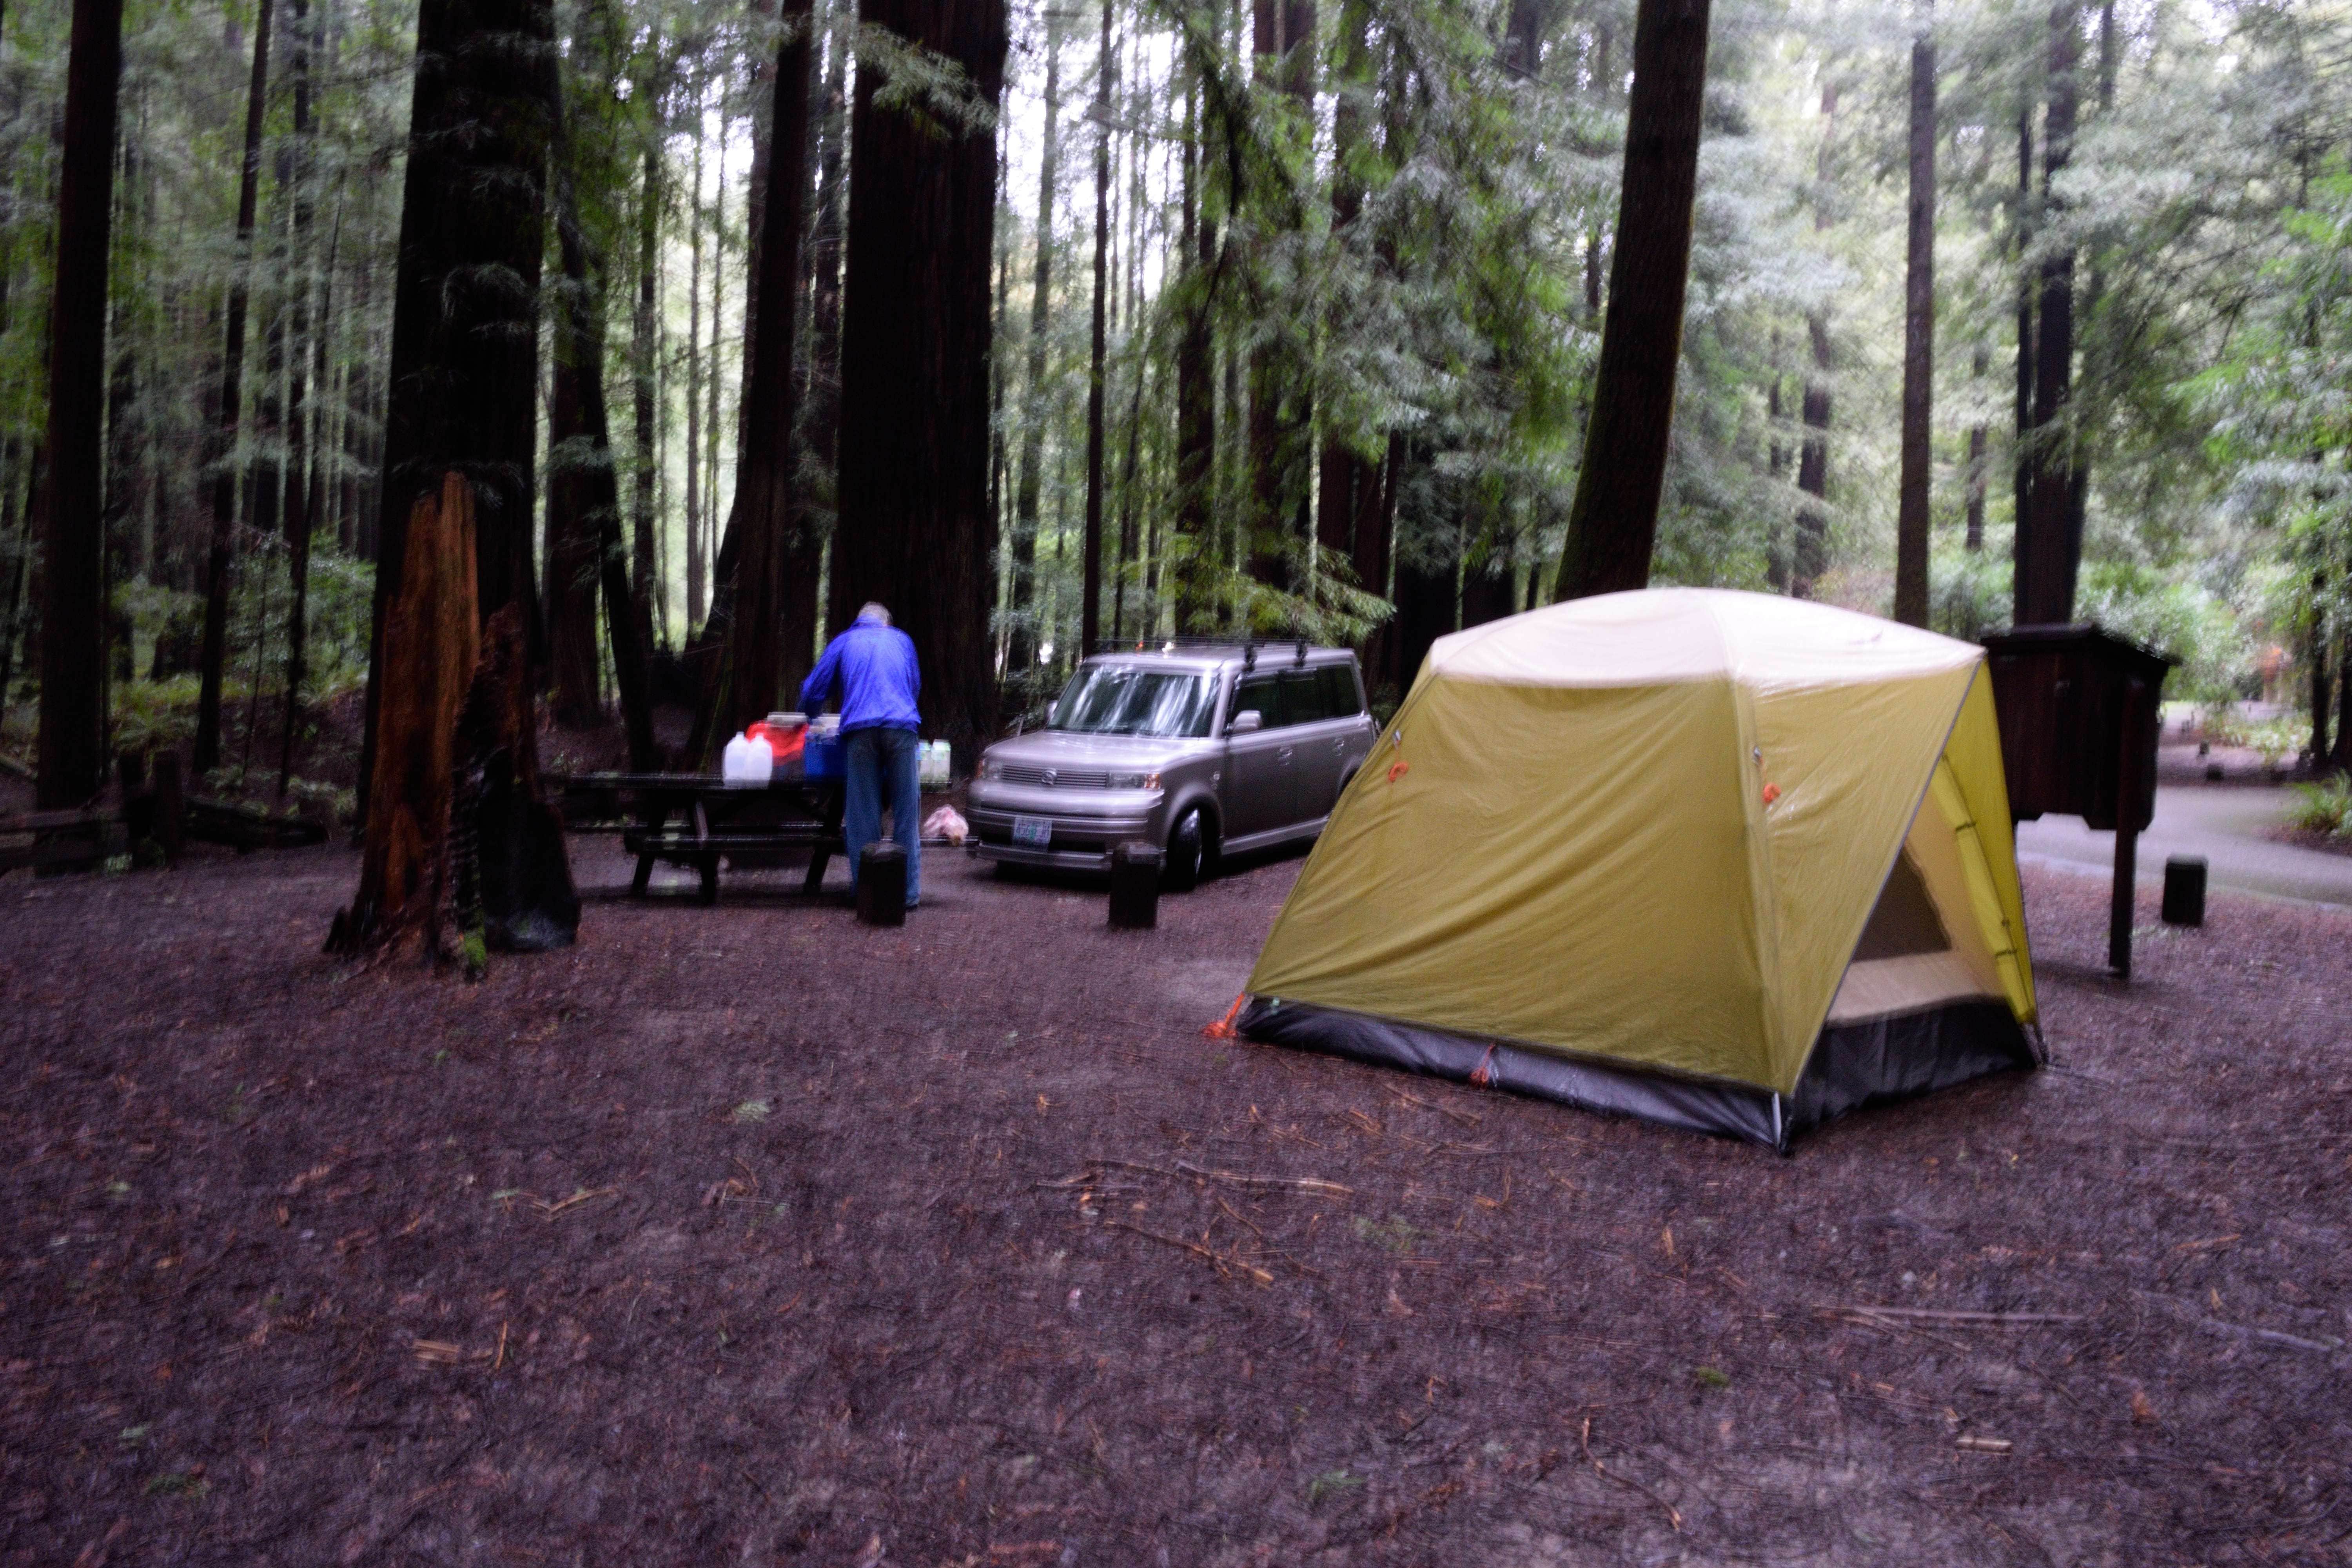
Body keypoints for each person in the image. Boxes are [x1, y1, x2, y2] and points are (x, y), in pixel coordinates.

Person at [799, 602, 923, 908]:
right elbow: (914, 686)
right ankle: (907, 895)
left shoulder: (844, 641)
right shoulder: (902, 640)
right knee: (906, 814)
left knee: (862, 816)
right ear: (886, 623)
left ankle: (866, 890)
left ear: (860, 622)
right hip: (902, 727)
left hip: (861, 732)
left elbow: (813, 690)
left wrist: (811, 718)